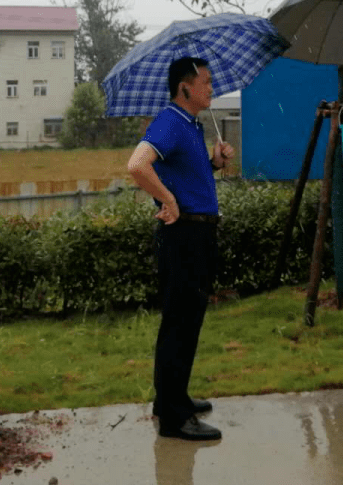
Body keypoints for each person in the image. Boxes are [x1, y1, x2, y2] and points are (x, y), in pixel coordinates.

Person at [127, 57, 234, 440]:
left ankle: (173, 398)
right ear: (184, 87)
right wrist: (167, 200)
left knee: (186, 322)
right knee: (180, 323)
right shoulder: (170, 121)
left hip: (198, 234)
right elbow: (138, 165)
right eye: (205, 81)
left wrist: (214, 162)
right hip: (183, 236)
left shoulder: (190, 124)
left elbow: (187, 173)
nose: (211, 88)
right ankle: (174, 418)